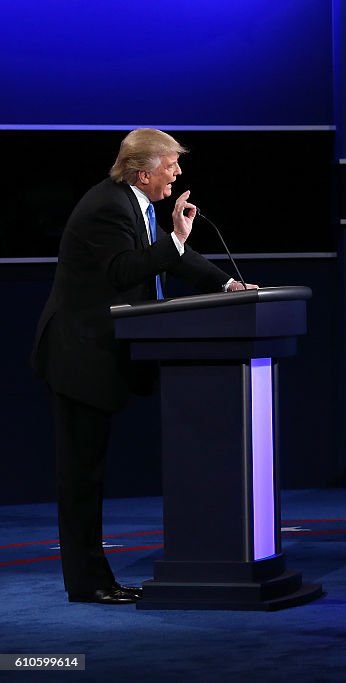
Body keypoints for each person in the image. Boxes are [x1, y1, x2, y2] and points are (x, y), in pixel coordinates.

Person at [30, 128, 256, 604]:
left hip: (95, 355)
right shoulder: (106, 206)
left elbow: (173, 259)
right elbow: (124, 270)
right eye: (171, 164)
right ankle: (89, 583)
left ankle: (94, 578)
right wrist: (174, 237)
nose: (177, 172)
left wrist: (227, 285)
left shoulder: (136, 203)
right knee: (80, 478)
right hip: (78, 356)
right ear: (142, 171)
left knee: (87, 474)